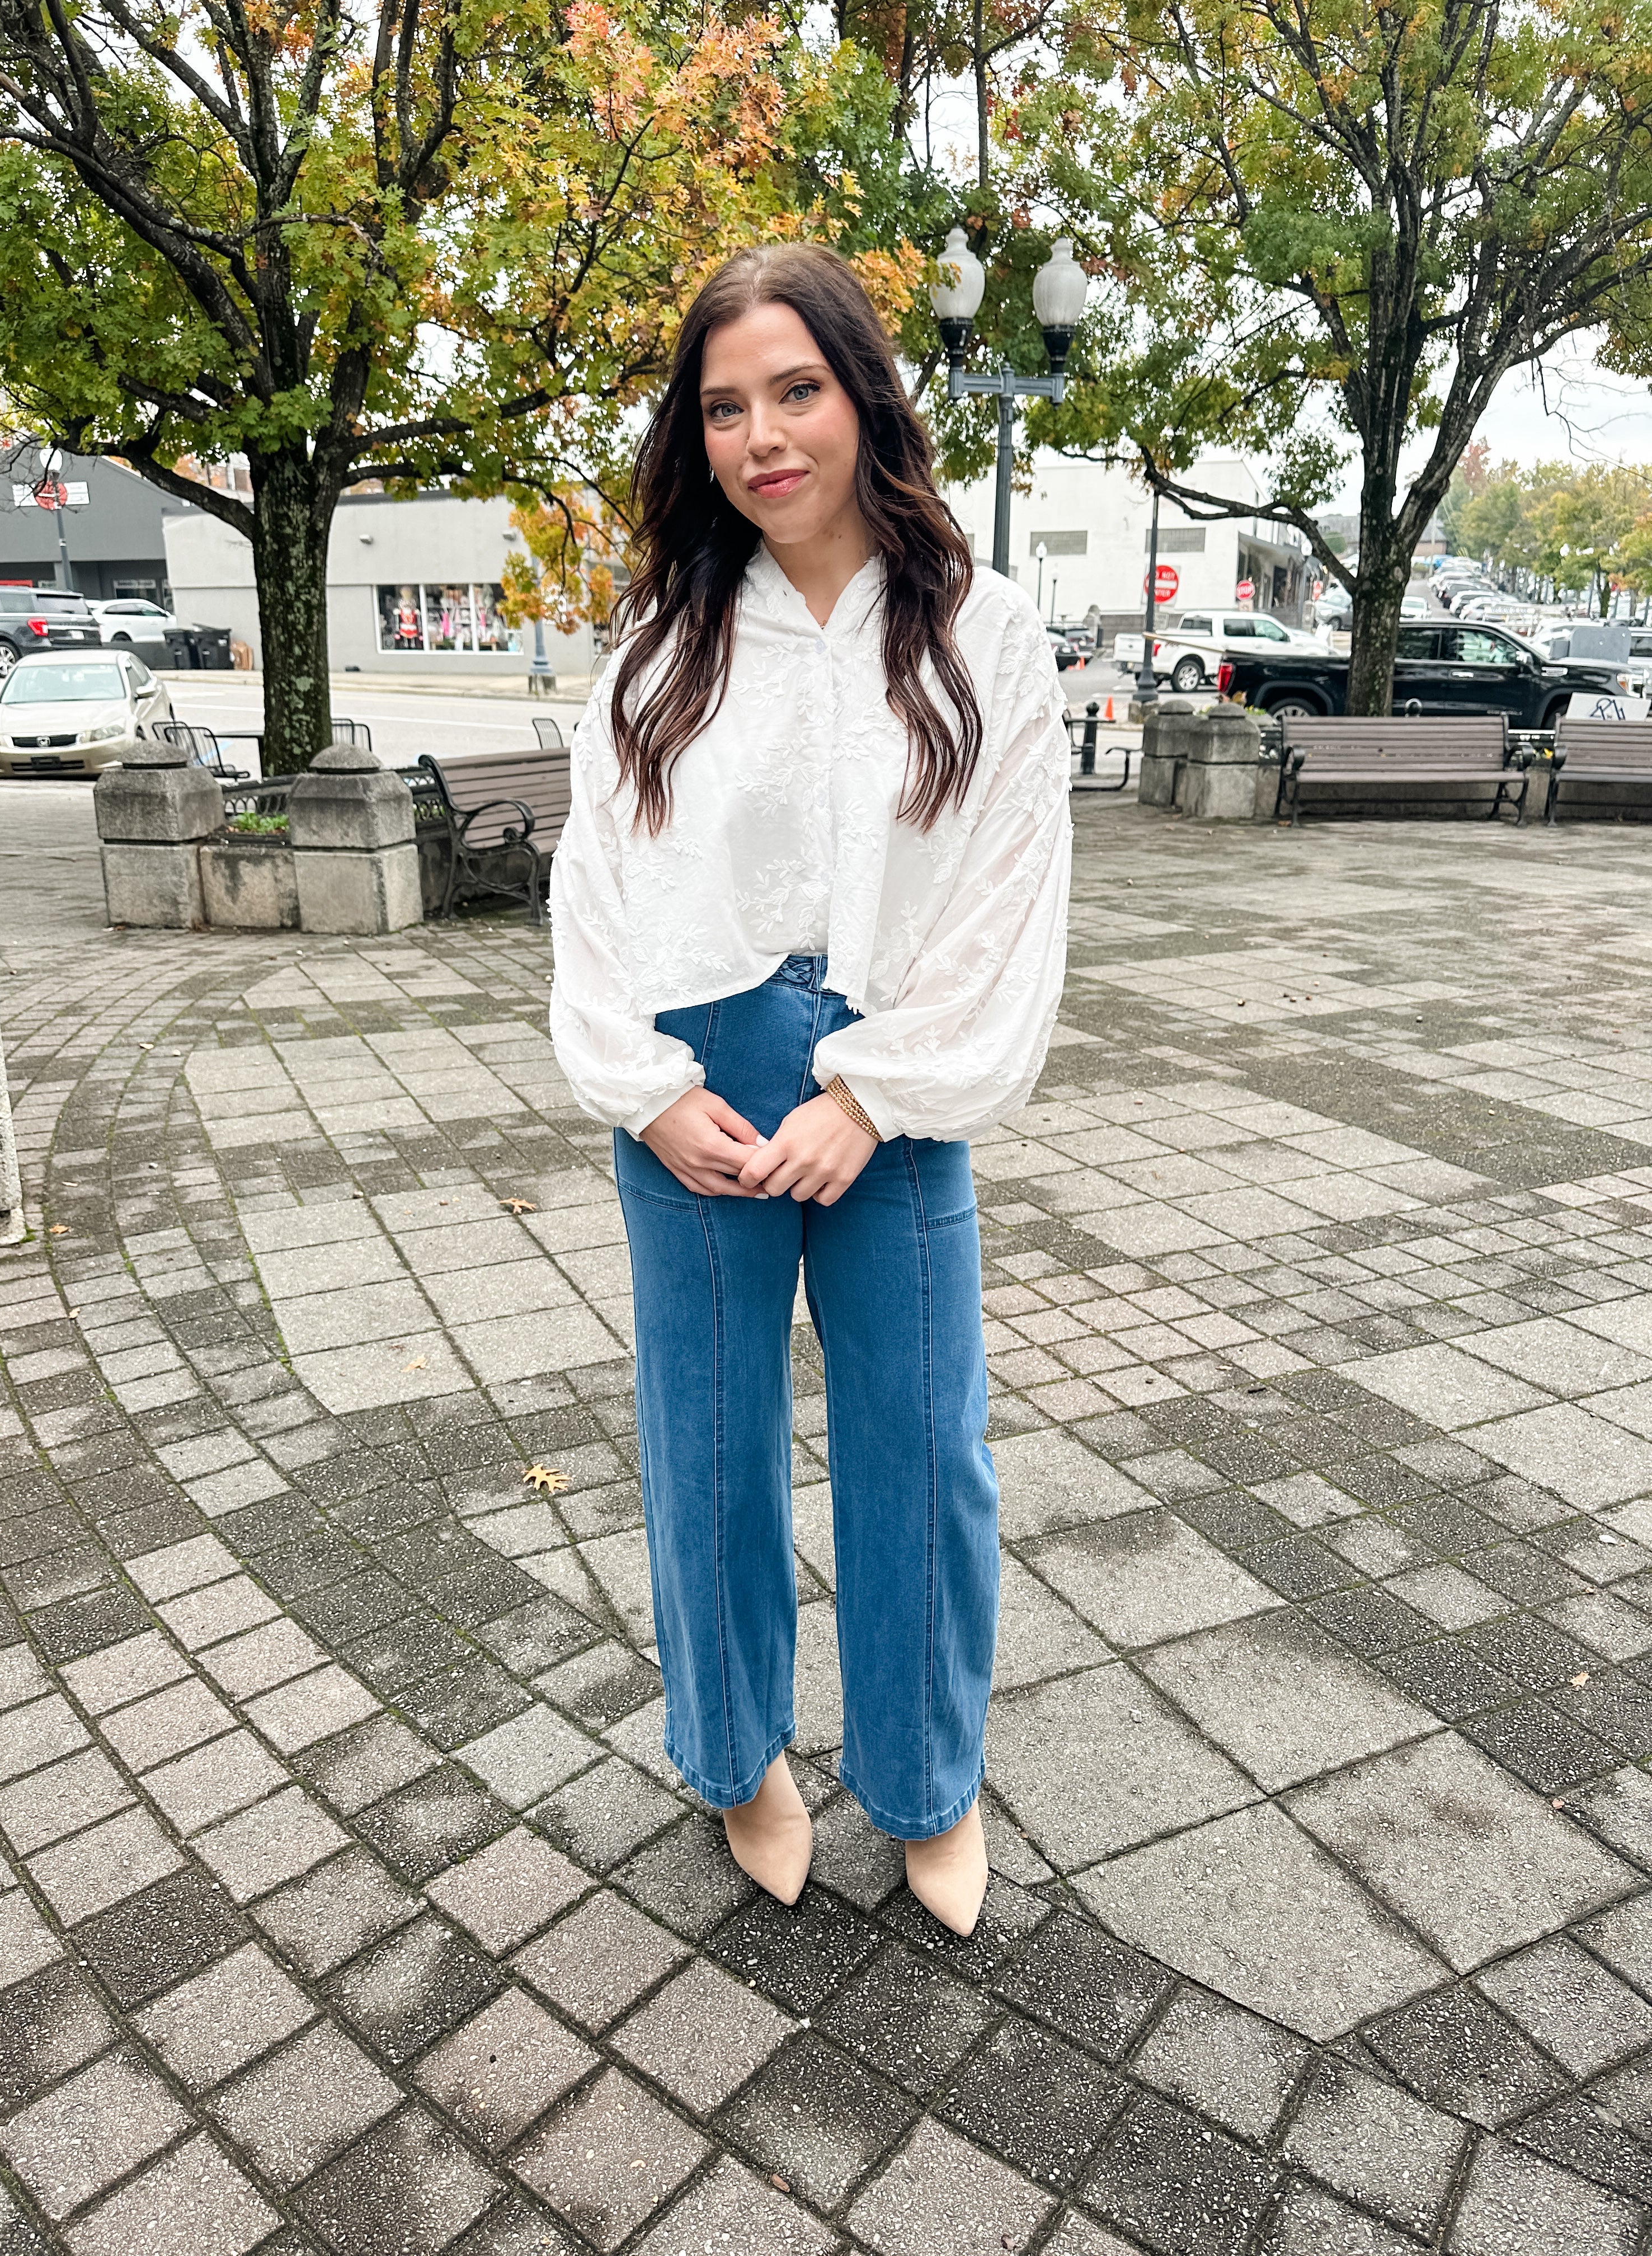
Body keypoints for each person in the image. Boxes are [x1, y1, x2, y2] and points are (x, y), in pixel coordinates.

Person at [549, 243, 1070, 1937]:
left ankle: (928, 1784)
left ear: (862, 396)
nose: (763, 436)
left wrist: (880, 1090)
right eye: (724, 406)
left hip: (891, 1092)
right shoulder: (661, 644)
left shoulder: (984, 636)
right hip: (695, 1086)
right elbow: (598, 890)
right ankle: (738, 1760)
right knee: (707, 1456)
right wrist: (641, 1090)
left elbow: (1009, 893)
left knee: (925, 1457)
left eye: (796, 391)